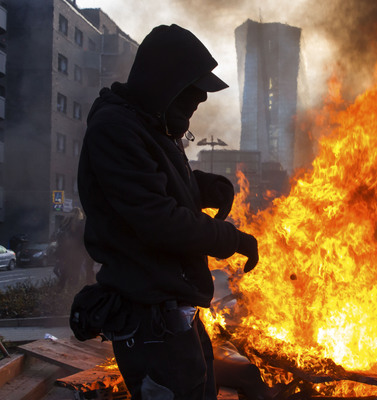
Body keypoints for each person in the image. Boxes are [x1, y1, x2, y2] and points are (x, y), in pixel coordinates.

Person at [75, 24, 259, 400]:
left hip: (174, 316)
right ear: (163, 84)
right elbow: (158, 218)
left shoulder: (148, 126)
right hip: (150, 323)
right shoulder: (114, 129)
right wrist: (231, 238)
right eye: (191, 93)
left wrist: (207, 186)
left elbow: (163, 180)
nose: (199, 102)